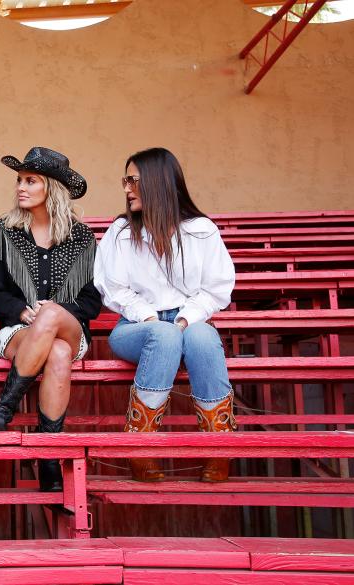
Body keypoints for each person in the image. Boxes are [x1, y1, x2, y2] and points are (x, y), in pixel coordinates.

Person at [94, 147, 237, 483]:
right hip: (136, 326)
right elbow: (113, 288)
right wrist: (150, 318)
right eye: (125, 180)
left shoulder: (201, 230)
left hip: (191, 321)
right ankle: (140, 443)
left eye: (133, 180)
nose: (126, 188)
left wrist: (185, 318)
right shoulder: (121, 231)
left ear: (158, 182)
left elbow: (216, 288)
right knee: (165, 334)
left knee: (202, 335)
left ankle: (219, 447)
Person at [0, 147, 102, 492]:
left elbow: (93, 299)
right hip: (20, 330)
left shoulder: (82, 238)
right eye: (19, 180)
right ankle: (49, 454)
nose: (21, 187)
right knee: (58, 353)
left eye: (30, 181)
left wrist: (58, 311)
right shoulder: (2, 232)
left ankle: (3, 409)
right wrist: (21, 310)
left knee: (53, 319)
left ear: (52, 187)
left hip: (71, 327)